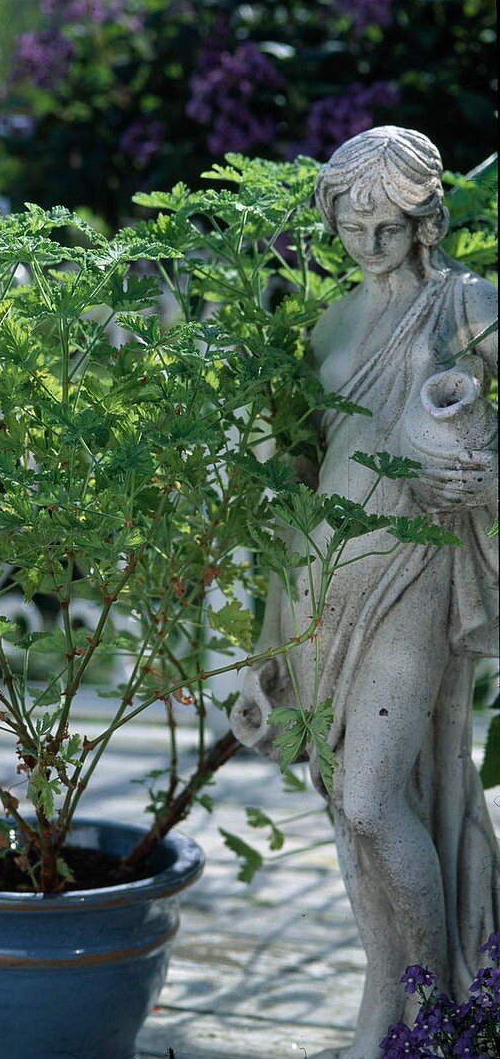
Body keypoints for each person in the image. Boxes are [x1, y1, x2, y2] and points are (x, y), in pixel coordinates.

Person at [231, 126, 498, 1057]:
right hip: (317, 587)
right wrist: (266, 651)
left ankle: (440, 1003)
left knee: (371, 800)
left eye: (389, 222)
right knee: (350, 812)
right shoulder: (329, 324)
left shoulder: (466, 308)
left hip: (413, 574)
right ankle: (394, 993)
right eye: (352, 223)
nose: (370, 241)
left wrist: (490, 471)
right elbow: (296, 489)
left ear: (426, 221)